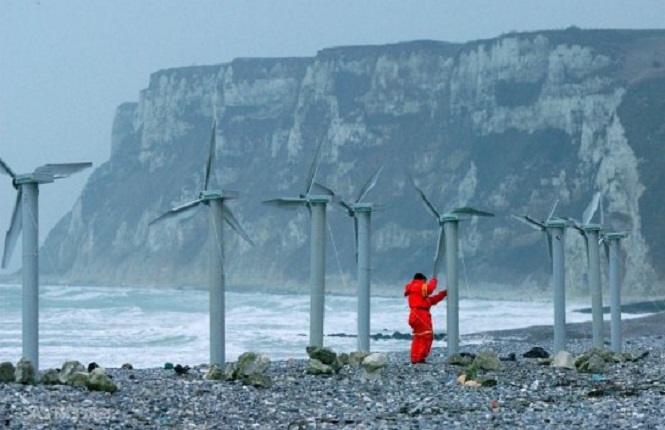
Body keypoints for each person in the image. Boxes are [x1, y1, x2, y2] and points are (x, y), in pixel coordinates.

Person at [404, 272, 447, 364]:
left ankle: (415, 358)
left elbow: (431, 300)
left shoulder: (417, 294)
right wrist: (434, 280)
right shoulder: (418, 286)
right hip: (420, 314)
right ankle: (420, 358)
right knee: (427, 336)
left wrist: (443, 294)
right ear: (422, 280)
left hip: (414, 314)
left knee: (418, 336)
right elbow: (430, 288)